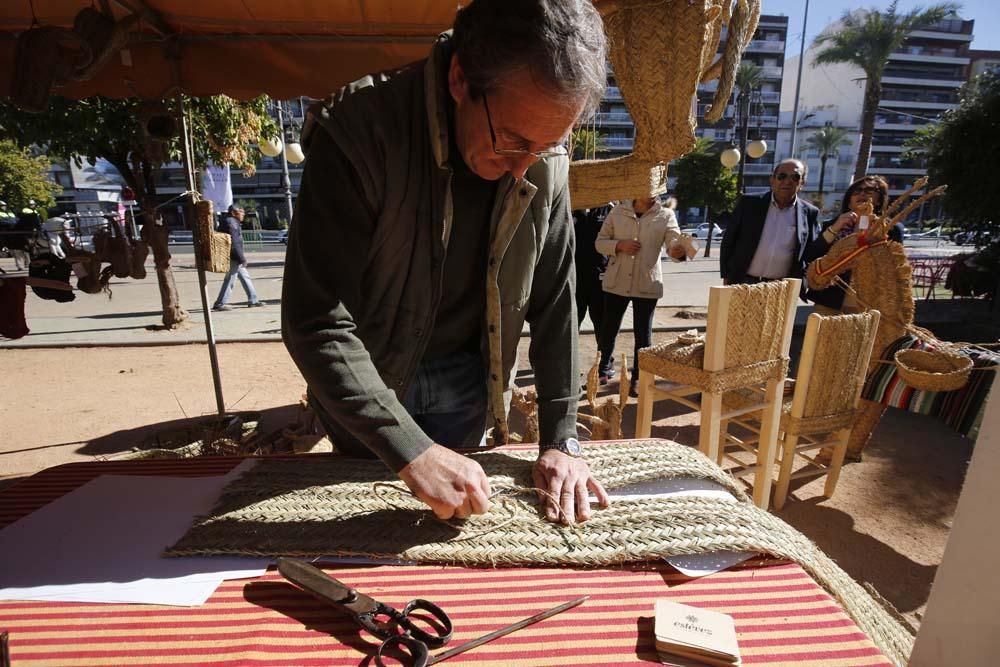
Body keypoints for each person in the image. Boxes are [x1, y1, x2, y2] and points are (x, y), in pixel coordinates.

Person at [282, 0, 611, 525]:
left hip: (469, 382)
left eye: (548, 145)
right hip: (371, 383)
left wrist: (562, 438)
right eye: (512, 140)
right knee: (358, 529)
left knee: (454, 531)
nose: (525, 166)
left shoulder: (541, 153)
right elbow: (316, 320)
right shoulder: (358, 133)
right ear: (460, 78)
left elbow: (556, 305)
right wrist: (410, 450)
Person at [595, 196, 688, 396]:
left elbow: (673, 242)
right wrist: (619, 245)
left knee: (643, 335)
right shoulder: (618, 211)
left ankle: (638, 377)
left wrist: (677, 250)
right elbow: (600, 243)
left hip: (647, 282)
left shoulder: (666, 214)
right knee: (608, 330)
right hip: (616, 281)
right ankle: (601, 371)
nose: (651, 191)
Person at [719, 159, 822, 288]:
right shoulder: (749, 204)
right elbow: (729, 240)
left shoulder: (810, 213)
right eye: (782, 176)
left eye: (795, 177)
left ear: (802, 183)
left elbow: (811, 252)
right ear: (772, 180)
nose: (787, 181)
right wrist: (727, 275)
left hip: (781, 286)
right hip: (743, 281)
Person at [806, 175, 901, 314]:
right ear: (849, 201)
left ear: (879, 200)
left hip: (867, 303)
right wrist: (835, 228)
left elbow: (895, 266)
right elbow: (813, 255)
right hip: (830, 300)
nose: (862, 194)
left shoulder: (890, 229)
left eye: (869, 191)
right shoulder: (832, 225)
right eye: (856, 191)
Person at [212, 205, 263, 311]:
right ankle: (220, 303)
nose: (243, 214)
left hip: (233, 255)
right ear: (234, 213)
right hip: (233, 256)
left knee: (245, 277)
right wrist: (241, 258)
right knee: (230, 279)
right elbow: (234, 243)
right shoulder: (231, 222)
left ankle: (253, 300)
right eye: (241, 212)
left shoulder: (230, 221)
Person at [573, 205, 610, 348]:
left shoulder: (607, 209)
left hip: (600, 279)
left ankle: (605, 363)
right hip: (575, 278)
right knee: (572, 323)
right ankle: (569, 365)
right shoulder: (571, 207)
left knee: (602, 323)